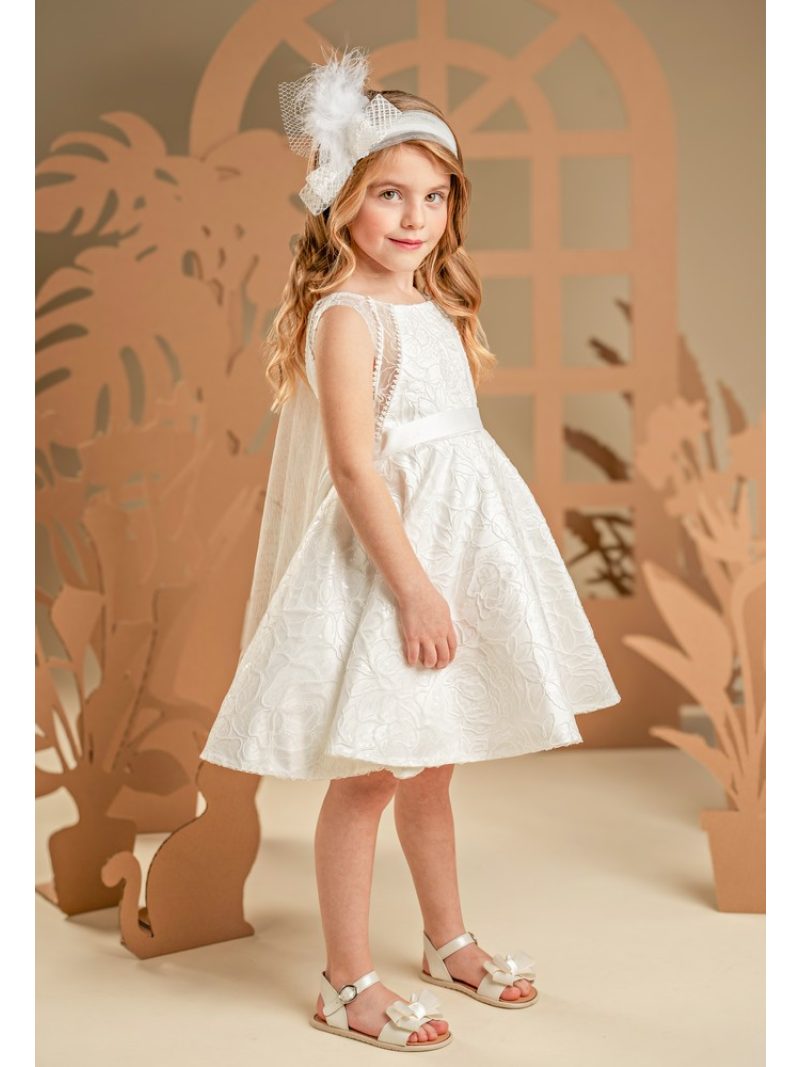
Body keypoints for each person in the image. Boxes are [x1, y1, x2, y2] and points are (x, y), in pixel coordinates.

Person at [200, 46, 621, 1052]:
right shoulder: (346, 318)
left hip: (454, 552)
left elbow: (451, 451)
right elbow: (355, 469)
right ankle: (344, 979)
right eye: (389, 193)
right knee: (370, 775)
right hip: (390, 567)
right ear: (343, 198)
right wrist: (416, 591)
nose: (413, 216)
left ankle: (447, 938)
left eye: (433, 196)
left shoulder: (433, 303)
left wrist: (463, 574)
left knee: (431, 767)